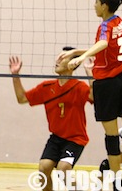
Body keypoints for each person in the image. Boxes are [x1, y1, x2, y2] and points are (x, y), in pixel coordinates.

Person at [61, 0, 122, 188]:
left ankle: (117, 181)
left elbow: (102, 43)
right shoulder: (119, 22)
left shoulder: (104, 26)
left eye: (96, 2)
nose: (94, 6)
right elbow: (105, 45)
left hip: (108, 84)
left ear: (105, 5)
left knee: (111, 135)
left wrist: (81, 57)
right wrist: (76, 52)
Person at [9, 47, 94, 191]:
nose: (57, 61)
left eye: (62, 58)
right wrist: (15, 75)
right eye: (58, 58)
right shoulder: (47, 87)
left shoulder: (79, 87)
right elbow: (22, 98)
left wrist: (89, 73)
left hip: (75, 139)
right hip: (56, 138)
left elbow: (94, 97)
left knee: (63, 169)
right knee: (43, 168)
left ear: (72, 64)